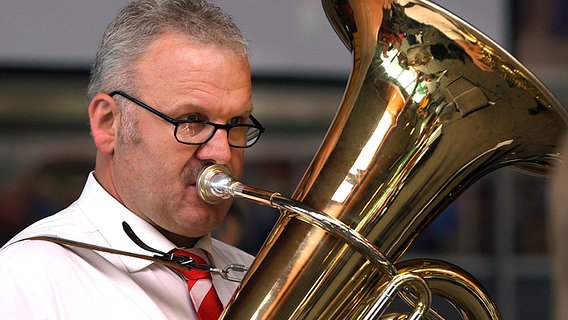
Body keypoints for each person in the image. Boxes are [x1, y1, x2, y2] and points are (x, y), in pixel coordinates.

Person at [0, 0, 265, 319]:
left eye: (237, 123)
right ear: (108, 122)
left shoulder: (257, 277)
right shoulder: (23, 280)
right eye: (191, 120)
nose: (221, 152)